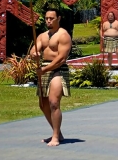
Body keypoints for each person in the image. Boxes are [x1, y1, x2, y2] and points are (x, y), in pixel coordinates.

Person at [30, 8, 72, 147]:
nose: (48, 20)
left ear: (58, 18)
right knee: (43, 105)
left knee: (54, 103)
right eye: (47, 18)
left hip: (57, 69)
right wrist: (34, 54)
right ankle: (57, 132)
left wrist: (45, 69)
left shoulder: (63, 35)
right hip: (44, 69)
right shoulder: (42, 35)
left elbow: (61, 58)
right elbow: (35, 49)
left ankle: (55, 137)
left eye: (51, 18)